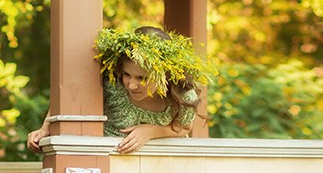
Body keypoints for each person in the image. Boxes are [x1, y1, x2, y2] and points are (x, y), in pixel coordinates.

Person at [28, 25, 212, 154]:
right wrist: (45, 128)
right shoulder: (112, 84)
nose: (131, 85)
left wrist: (151, 131)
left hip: (161, 172)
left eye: (142, 78)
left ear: (164, 74)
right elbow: (70, 97)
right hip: (112, 168)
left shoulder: (182, 95)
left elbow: (184, 127)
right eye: (127, 74)